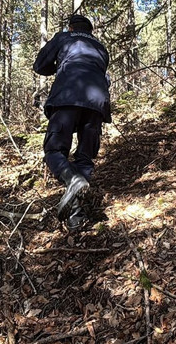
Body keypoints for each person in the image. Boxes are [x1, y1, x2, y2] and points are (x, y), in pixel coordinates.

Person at [33, 15, 111, 231]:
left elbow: (40, 65)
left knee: (54, 150)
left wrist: (60, 64)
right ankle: (76, 217)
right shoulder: (101, 48)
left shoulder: (63, 38)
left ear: (70, 27)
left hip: (67, 96)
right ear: (90, 30)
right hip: (97, 104)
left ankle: (72, 181)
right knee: (85, 157)